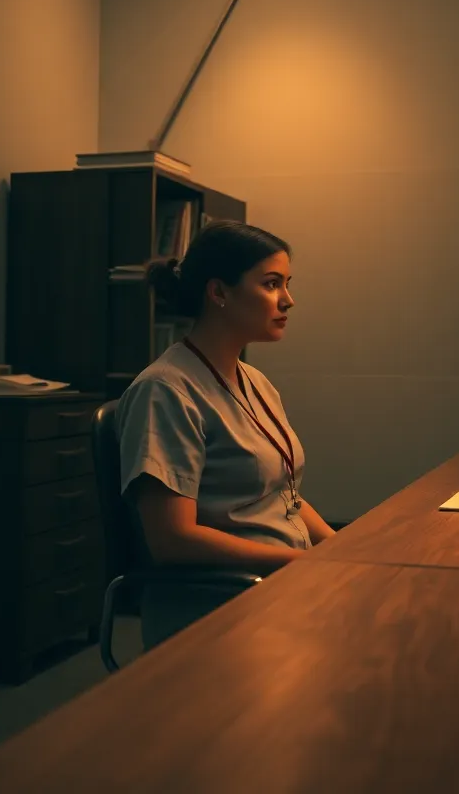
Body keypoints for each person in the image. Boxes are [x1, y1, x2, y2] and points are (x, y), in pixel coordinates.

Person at [117, 219, 335, 646]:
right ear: (218, 292)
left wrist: (340, 547)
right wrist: (301, 563)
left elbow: (282, 495)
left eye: (287, 284)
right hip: (224, 603)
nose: (288, 300)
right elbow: (172, 539)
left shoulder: (255, 381)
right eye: (271, 284)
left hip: (280, 582)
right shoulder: (165, 391)